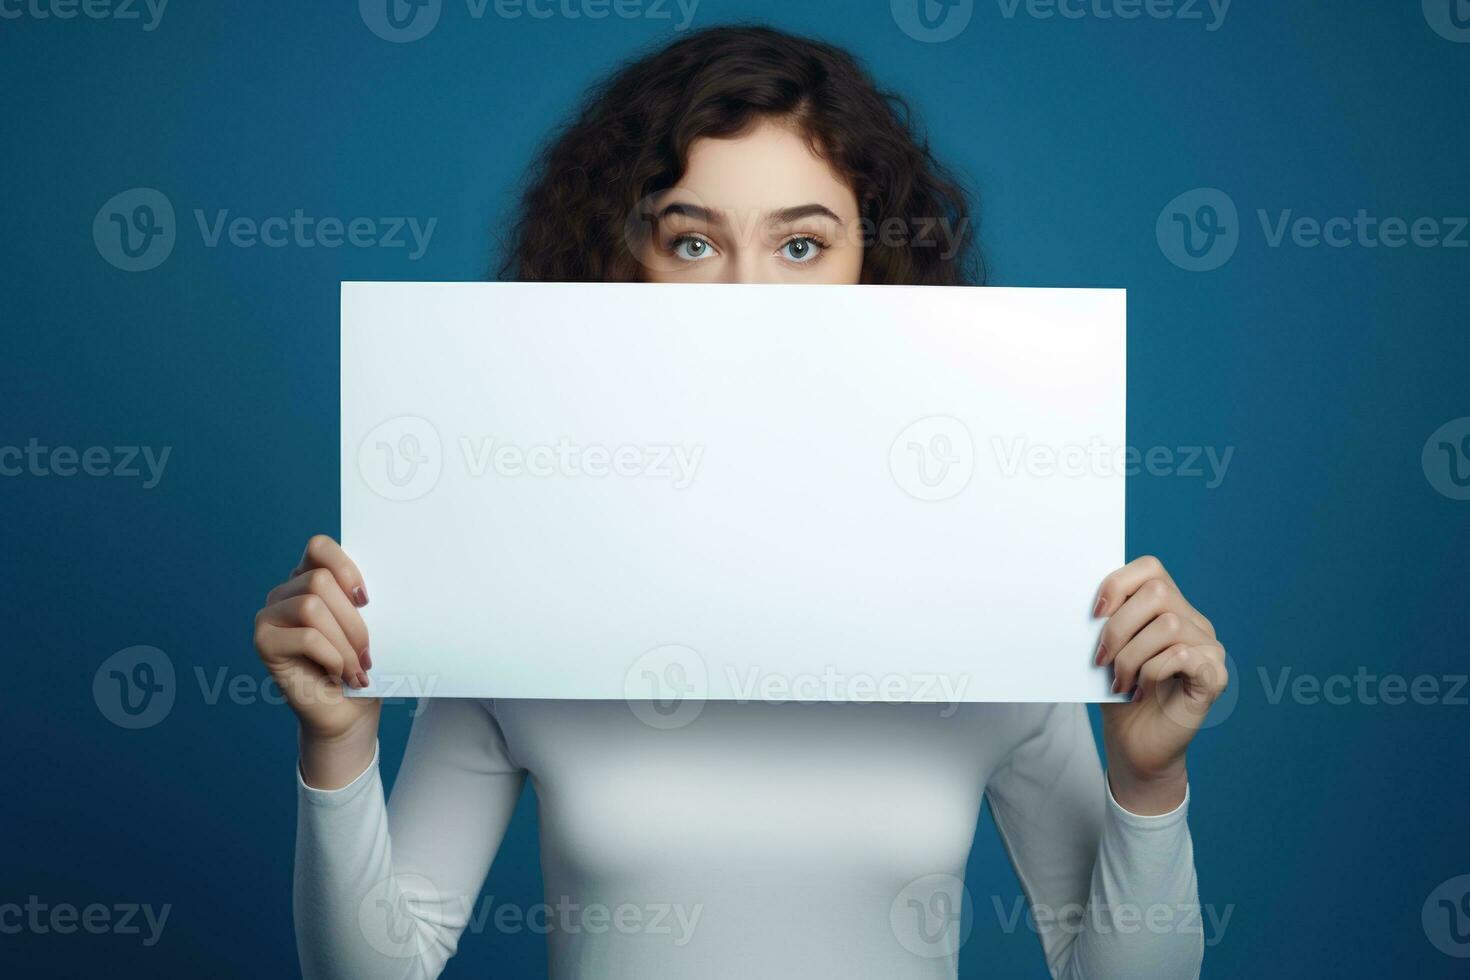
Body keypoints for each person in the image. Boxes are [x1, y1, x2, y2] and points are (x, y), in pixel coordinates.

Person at [256, 25, 1229, 980]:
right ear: (620, 265)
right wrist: (336, 750)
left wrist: (1149, 781)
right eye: (692, 242)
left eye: (801, 244)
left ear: (875, 268)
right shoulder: (515, 590)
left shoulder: (994, 594)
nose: (747, 295)